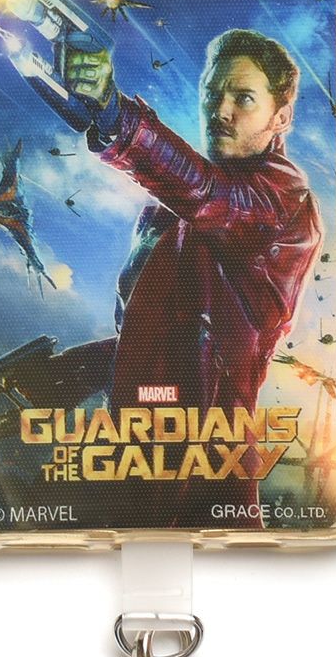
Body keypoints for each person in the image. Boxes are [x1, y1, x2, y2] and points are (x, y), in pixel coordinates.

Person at [64, 27, 322, 527]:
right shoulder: (166, 214)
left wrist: (116, 117)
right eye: (211, 93)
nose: (220, 110)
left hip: (207, 483)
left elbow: (211, 196)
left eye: (243, 98)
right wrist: (59, 376)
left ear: (281, 118)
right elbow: (150, 343)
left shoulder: (283, 203)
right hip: (136, 465)